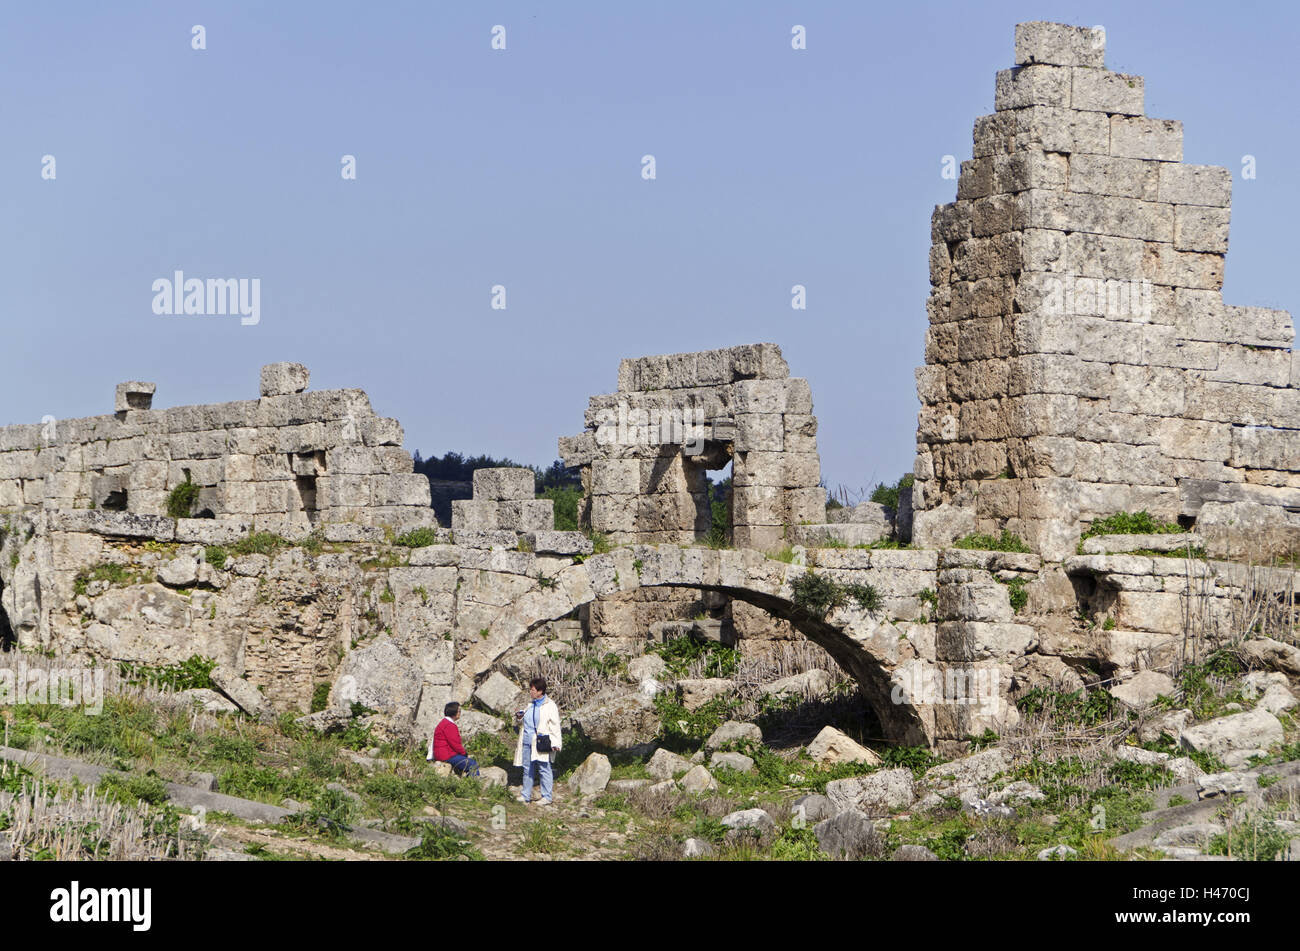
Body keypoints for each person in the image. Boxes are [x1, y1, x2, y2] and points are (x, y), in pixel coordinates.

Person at [513, 676, 561, 806]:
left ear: (540, 691)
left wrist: (556, 743)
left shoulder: (550, 706)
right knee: (527, 768)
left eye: (533, 690)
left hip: (541, 741)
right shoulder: (530, 705)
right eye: (531, 690)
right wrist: (520, 717)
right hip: (527, 741)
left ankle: (547, 796)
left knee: (544, 767)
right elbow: (524, 722)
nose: (531, 692)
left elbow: (555, 725)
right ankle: (525, 794)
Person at [428, 701, 479, 777]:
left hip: (441, 754)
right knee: (473, 764)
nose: (460, 713)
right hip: (446, 755)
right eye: (459, 711)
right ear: (454, 712)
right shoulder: (449, 725)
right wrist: (464, 753)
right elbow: (455, 744)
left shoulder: (444, 723)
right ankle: (473, 785)